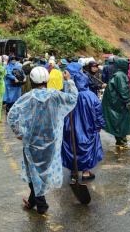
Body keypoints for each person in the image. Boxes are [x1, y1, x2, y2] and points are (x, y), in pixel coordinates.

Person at [8, 67, 78, 215]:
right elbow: (72, 98)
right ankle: (33, 201)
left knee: (33, 171)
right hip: (51, 141)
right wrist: (69, 81)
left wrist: (19, 132)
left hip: (32, 142)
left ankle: (41, 205)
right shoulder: (55, 95)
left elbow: (12, 115)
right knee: (44, 172)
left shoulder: (27, 97)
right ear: (46, 80)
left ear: (32, 81)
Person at [62, 63, 104, 181]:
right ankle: (85, 172)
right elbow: (98, 111)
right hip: (88, 126)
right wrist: (100, 124)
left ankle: (73, 171)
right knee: (88, 146)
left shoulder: (68, 95)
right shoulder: (91, 95)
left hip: (70, 126)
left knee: (72, 146)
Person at [102, 58, 130, 150]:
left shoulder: (117, 75)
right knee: (122, 123)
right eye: (127, 64)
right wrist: (127, 101)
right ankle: (123, 143)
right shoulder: (120, 76)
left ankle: (119, 141)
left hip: (116, 102)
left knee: (118, 122)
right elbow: (123, 90)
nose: (128, 66)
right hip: (120, 104)